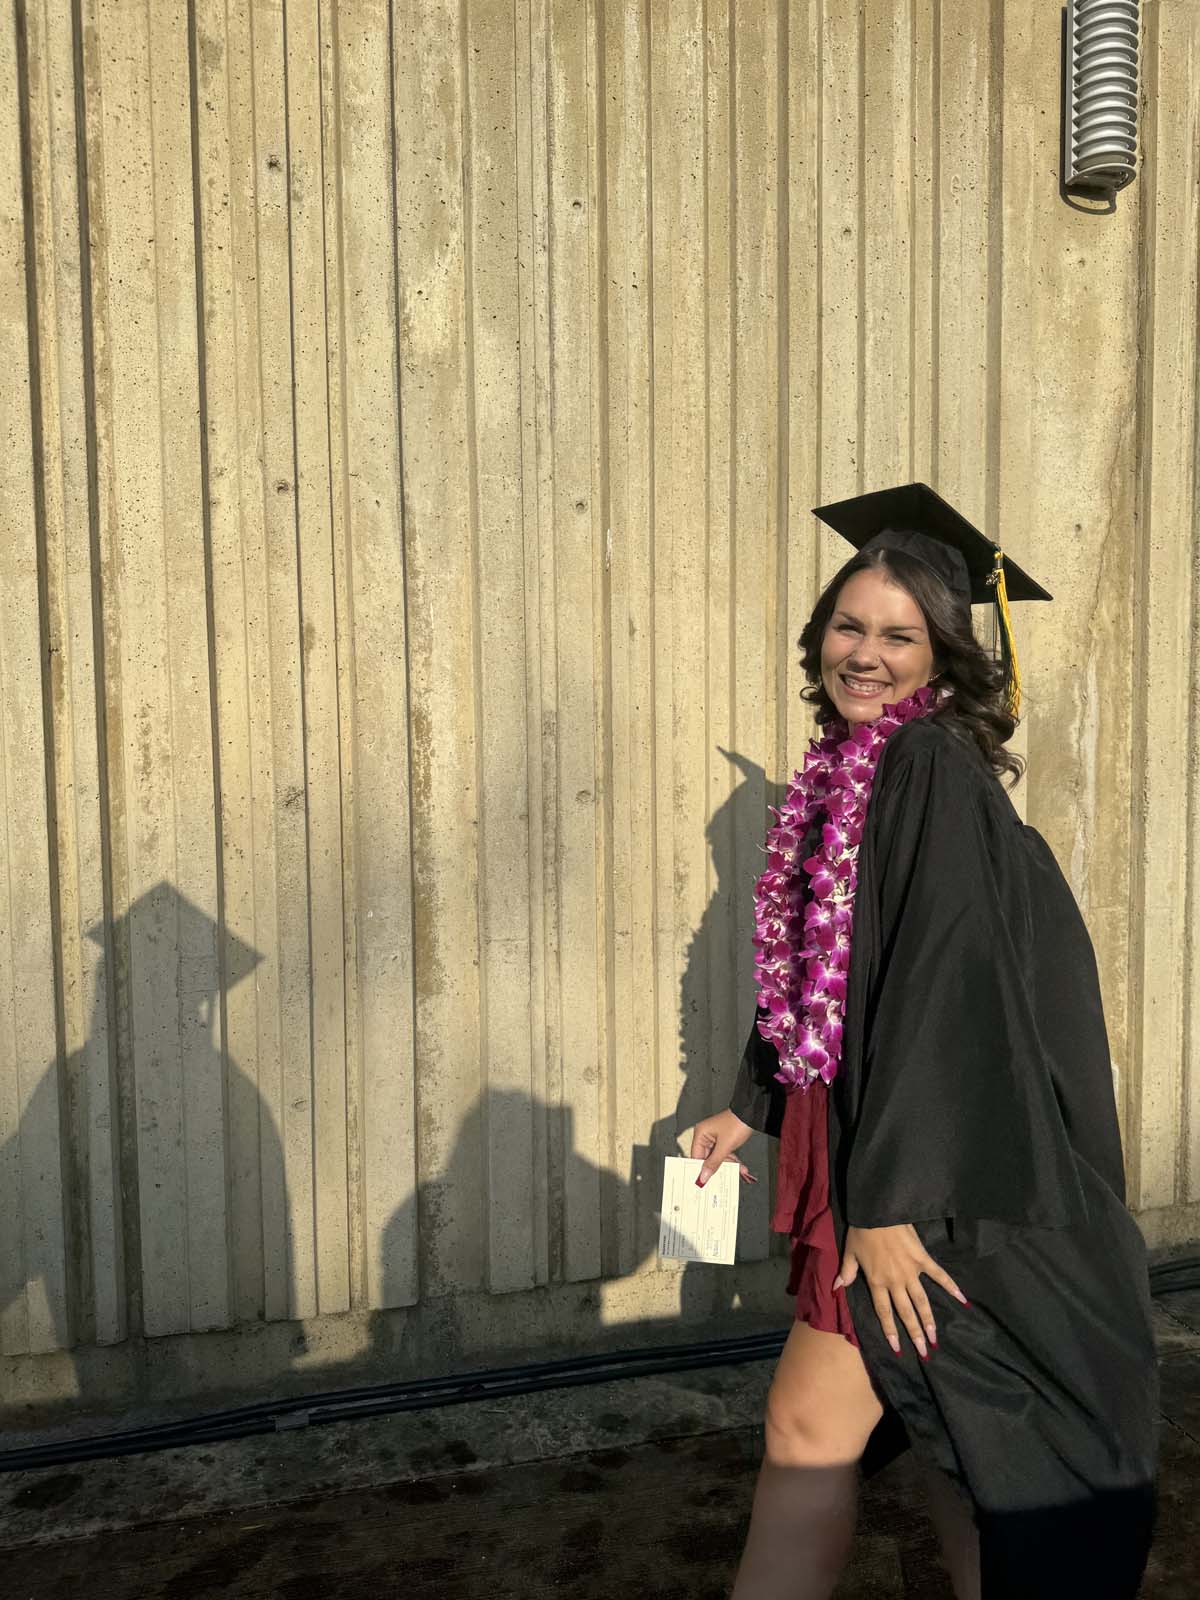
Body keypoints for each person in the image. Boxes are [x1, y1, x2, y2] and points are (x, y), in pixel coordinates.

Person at [690, 484, 1158, 1600]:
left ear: (943, 653)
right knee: (956, 1436)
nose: (866, 653)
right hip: (873, 1143)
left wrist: (892, 1200)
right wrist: (749, 1102)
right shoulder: (854, 776)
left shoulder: (928, 772)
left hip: (919, 1172)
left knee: (810, 1422)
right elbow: (834, 972)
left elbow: (944, 986)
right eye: (850, 626)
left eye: (900, 635)